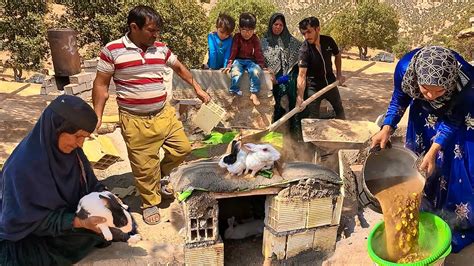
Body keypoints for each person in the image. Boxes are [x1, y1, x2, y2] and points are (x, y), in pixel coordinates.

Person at [92, 5, 211, 225]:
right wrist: (97, 116)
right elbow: (101, 85)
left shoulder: (161, 49)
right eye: (151, 30)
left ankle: (160, 176)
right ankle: (150, 202)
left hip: (163, 114)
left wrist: (197, 87)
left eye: (157, 31)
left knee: (182, 149)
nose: (155, 35)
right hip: (134, 119)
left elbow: (179, 67)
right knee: (143, 166)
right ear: (134, 27)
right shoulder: (112, 50)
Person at [371, 46, 474, 253]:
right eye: (425, 88)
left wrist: (435, 150)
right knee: (422, 163)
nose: (431, 96)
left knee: (456, 165)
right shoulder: (405, 69)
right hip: (424, 117)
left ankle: (456, 222)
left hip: (460, 118)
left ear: (451, 83)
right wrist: (387, 128)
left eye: (439, 91)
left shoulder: (467, 80)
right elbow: (399, 99)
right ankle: (426, 207)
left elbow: (454, 121)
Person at [0, 95, 109, 265]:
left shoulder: (74, 155)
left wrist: (105, 197)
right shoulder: (22, 168)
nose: (80, 144)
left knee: (106, 229)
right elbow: (28, 219)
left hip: (64, 221)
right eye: (77, 136)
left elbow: (91, 184)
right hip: (29, 233)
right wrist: (78, 221)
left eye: (85, 138)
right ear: (56, 128)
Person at [296, 16, 346, 120]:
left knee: (340, 111)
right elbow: (301, 75)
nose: (306, 36)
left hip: (331, 84)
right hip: (314, 88)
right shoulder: (304, 50)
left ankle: (343, 134)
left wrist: (339, 75)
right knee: (313, 118)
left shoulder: (328, 41)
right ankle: (313, 136)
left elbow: (337, 55)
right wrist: (300, 96)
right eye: (303, 33)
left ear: (317, 29)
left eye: (309, 32)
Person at [261, 13, 302, 131]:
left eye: (281, 25)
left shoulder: (291, 41)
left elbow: (301, 53)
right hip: (270, 78)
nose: (278, 27)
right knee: (274, 104)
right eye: (275, 24)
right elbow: (258, 59)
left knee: (290, 94)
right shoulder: (263, 41)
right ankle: (274, 130)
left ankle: (294, 132)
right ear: (271, 25)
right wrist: (267, 69)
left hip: (286, 77)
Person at [225, 12, 266, 106]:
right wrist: (230, 64)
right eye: (244, 30)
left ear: (254, 30)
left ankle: (254, 93)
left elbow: (258, 52)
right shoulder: (237, 37)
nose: (247, 33)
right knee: (235, 72)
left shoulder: (255, 39)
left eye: (250, 30)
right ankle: (234, 90)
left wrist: (261, 65)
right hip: (238, 60)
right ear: (239, 29)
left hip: (251, 61)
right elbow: (233, 50)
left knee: (255, 71)